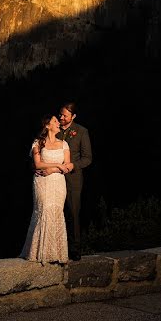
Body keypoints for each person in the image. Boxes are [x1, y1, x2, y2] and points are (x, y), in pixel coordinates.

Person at [20, 115, 71, 264]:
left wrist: (55, 169)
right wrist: (57, 166)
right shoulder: (38, 143)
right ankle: (39, 252)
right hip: (42, 182)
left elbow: (67, 165)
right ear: (48, 125)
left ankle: (56, 253)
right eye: (55, 121)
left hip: (58, 182)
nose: (58, 123)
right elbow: (38, 164)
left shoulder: (64, 144)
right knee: (44, 210)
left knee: (56, 211)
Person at [55, 102, 92, 261]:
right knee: (56, 213)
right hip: (54, 179)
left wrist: (73, 165)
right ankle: (57, 248)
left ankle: (75, 249)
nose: (61, 118)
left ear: (73, 116)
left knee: (73, 213)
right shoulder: (53, 130)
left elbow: (88, 158)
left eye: (65, 115)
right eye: (60, 114)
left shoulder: (82, 131)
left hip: (73, 179)